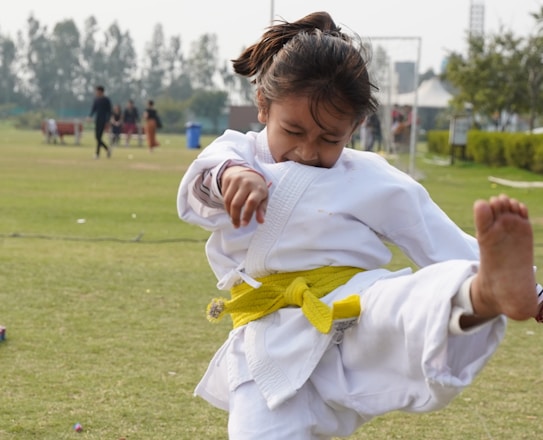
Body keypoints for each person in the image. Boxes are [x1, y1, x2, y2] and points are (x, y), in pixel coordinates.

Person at [176, 12, 543, 439]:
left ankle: (484, 293)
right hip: (268, 346)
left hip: (352, 312)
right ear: (263, 104)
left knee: (406, 305)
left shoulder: (369, 176)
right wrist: (231, 177)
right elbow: (198, 186)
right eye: (292, 130)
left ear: (355, 127)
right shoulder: (238, 153)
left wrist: (533, 295)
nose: (307, 151)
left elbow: (432, 234)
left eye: (330, 139)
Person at [88, 85, 112, 159]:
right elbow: (93, 109)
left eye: (97, 91)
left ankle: (97, 153)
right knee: (97, 137)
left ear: (101, 92)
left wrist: (108, 121)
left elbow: (109, 111)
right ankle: (107, 149)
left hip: (103, 120)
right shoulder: (96, 100)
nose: (96, 93)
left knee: (99, 137)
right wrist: (90, 116)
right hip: (97, 120)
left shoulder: (106, 100)